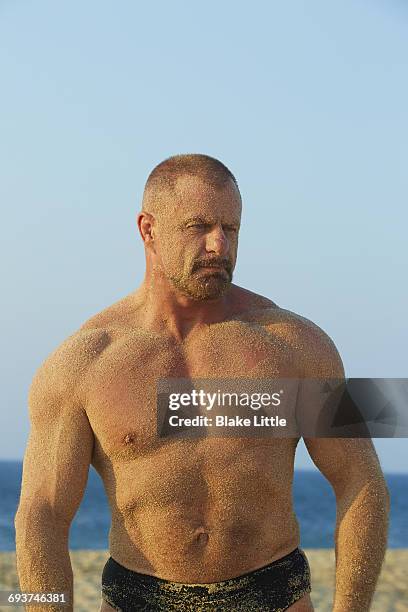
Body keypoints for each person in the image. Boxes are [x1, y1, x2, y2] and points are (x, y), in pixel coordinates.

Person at [15, 154, 390, 611]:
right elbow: (43, 516)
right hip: (137, 599)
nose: (219, 245)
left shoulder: (297, 345)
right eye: (199, 226)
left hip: (274, 596)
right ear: (148, 229)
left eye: (231, 229)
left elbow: (360, 479)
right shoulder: (86, 360)